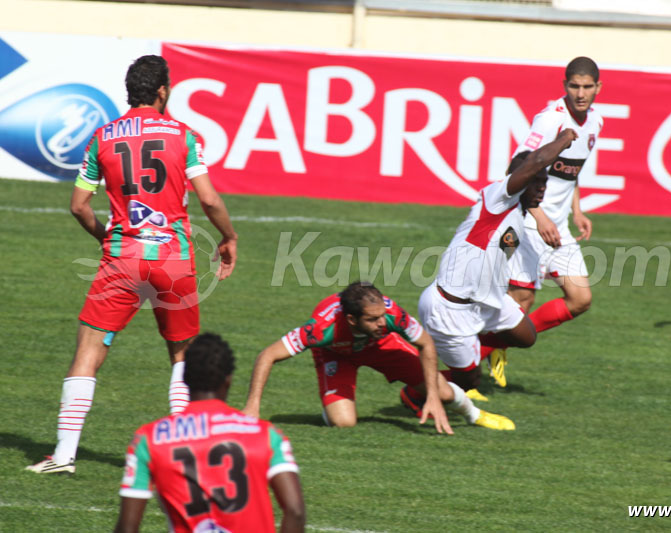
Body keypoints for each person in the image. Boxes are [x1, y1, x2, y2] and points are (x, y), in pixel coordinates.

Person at [27, 55, 238, 475]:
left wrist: (108, 237)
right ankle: (184, 457)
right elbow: (210, 199)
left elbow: (79, 206)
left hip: (123, 258)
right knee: (182, 354)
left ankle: (64, 455)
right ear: (162, 91)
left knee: (88, 351)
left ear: (130, 91)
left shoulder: (102, 137)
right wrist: (229, 238)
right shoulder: (184, 136)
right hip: (173, 260)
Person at [418, 128, 578, 395]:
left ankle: (476, 344)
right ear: (519, 179)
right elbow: (536, 162)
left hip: (487, 302)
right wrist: (564, 139)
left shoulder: (519, 213)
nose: (541, 186)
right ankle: (415, 389)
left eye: (544, 182)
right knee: (470, 382)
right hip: (451, 305)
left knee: (526, 337)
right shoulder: (497, 200)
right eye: (534, 180)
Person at [242, 281, 515, 432]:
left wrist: (430, 394)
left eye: (382, 315)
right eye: (373, 319)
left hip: (382, 347)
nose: (382, 322)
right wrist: (253, 407)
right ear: (351, 319)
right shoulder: (322, 330)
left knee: (442, 393)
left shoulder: (390, 318)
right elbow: (268, 355)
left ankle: (474, 414)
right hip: (337, 354)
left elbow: (426, 344)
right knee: (344, 423)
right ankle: (334, 400)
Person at [113, 333, 305, 533]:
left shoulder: (148, 439)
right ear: (228, 379)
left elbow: (128, 527)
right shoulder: (267, 435)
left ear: (184, 378)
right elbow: (295, 510)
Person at [488, 56, 603, 387]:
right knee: (520, 301)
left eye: (587, 87)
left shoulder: (595, 122)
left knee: (580, 299)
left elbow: (571, 171)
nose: (581, 93)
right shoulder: (550, 120)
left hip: (558, 226)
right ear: (564, 85)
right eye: (574, 86)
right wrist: (538, 216)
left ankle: (502, 343)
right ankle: (466, 367)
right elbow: (517, 169)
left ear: (598, 88)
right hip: (529, 222)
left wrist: (577, 210)